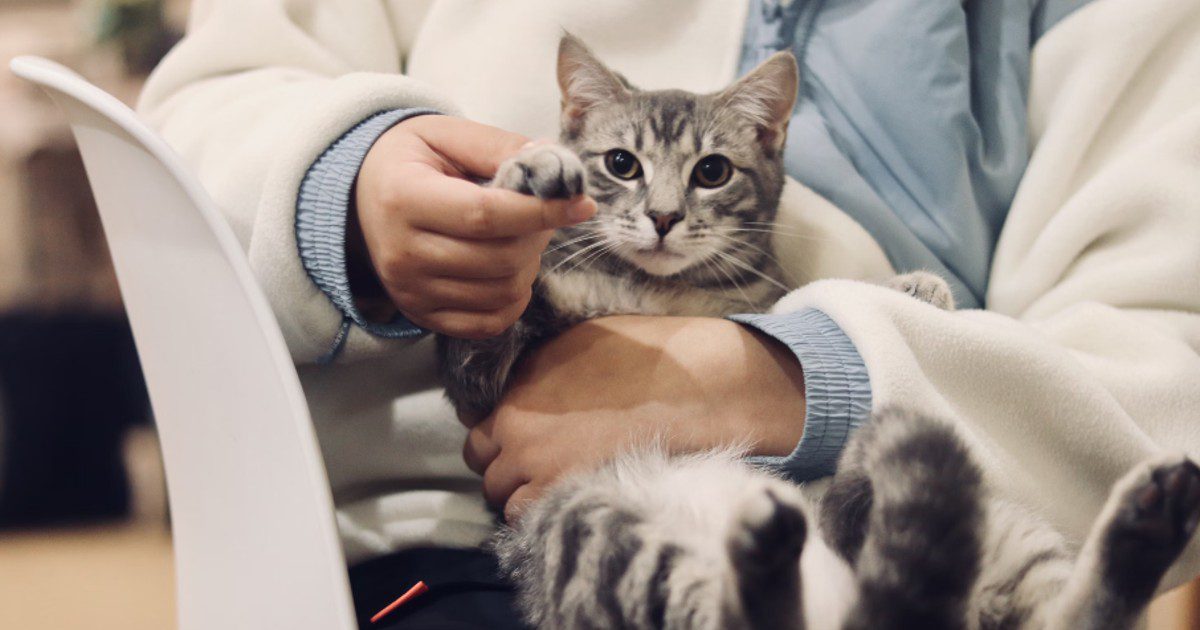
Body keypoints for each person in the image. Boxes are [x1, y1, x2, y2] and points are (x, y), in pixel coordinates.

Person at [139, 0, 1200, 627]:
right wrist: (354, 182)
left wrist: (802, 376)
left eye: (703, 176)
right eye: (620, 172)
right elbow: (200, 114)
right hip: (454, 533)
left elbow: (1168, 360)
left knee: (939, 521)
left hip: (875, 519)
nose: (654, 211)